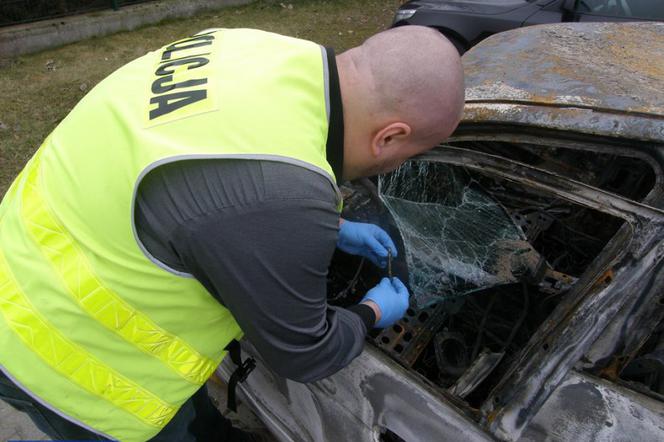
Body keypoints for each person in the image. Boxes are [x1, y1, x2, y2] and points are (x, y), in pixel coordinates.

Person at [0, 25, 464, 441]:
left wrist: (335, 226)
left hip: (39, 244)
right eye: (407, 156)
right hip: (57, 353)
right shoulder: (279, 197)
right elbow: (305, 354)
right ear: (388, 137)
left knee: (189, 419)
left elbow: (214, 168)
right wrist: (370, 312)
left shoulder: (255, 47)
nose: (398, 167)